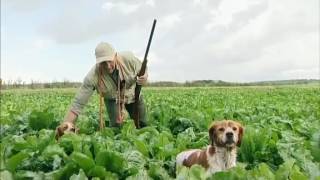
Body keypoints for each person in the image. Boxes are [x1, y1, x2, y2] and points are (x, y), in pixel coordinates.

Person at [55, 42, 148, 138]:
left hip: (133, 95)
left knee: (143, 124)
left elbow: (143, 70)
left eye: (109, 61)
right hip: (112, 99)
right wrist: (64, 128)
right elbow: (77, 104)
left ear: (115, 56)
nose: (107, 66)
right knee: (116, 129)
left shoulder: (129, 58)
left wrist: (145, 77)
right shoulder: (92, 76)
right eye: (103, 62)